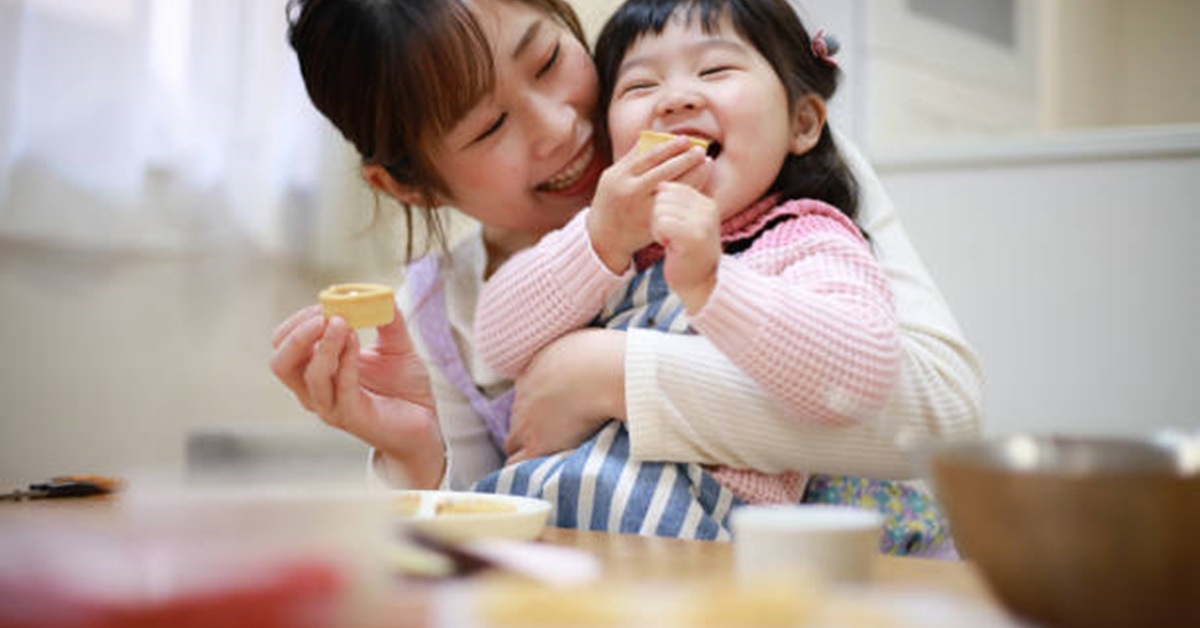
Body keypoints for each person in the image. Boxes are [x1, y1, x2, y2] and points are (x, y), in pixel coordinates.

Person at [270, 0, 981, 550]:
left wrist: (606, 372)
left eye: (548, 60)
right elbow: (476, 546)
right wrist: (412, 456)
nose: (558, 126)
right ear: (409, 186)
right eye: (488, 127)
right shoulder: (437, 316)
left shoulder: (778, 176)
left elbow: (936, 417)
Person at [476, 0, 896, 508]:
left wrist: (713, 284)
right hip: (551, 525)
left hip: (702, 535)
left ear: (802, 123)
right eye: (640, 86)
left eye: (714, 70)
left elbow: (863, 376)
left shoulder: (805, 238)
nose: (674, 99)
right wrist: (601, 240)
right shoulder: (612, 242)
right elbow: (495, 341)